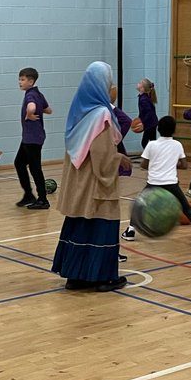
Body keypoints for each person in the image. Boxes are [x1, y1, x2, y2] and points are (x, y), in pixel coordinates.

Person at [51, 62, 126, 292]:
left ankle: (75, 276)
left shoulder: (78, 112)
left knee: (79, 225)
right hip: (95, 185)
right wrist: (120, 160)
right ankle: (102, 277)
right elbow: (102, 156)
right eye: (110, 83)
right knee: (103, 225)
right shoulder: (102, 115)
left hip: (77, 184)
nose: (113, 88)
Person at [121, 116, 191, 245]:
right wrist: (171, 163)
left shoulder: (152, 144)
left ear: (158, 129)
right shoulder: (177, 145)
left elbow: (143, 165)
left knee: (139, 205)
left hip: (153, 184)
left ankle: (130, 231)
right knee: (186, 208)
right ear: (174, 131)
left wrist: (155, 163)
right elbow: (184, 165)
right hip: (171, 184)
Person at [14, 67, 52, 209]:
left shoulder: (30, 95)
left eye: (23, 79)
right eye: (19, 79)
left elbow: (31, 107)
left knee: (35, 169)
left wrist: (30, 113)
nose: (20, 82)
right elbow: (49, 110)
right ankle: (29, 195)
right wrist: (39, 110)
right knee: (19, 163)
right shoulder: (38, 93)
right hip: (30, 138)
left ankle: (43, 200)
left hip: (33, 139)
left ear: (31, 81)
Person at [136, 78, 158, 147]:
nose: (138, 83)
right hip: (152, 122)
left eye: (140, 83)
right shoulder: (143, 97)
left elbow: (149, 113)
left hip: (150, 123)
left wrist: (142, 122)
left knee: (144, 143)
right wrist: (139, 119)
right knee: (152, 141)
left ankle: (150, 156)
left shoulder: (143, 99)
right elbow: (143, 112)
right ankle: (154, 156)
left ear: (142, 88)